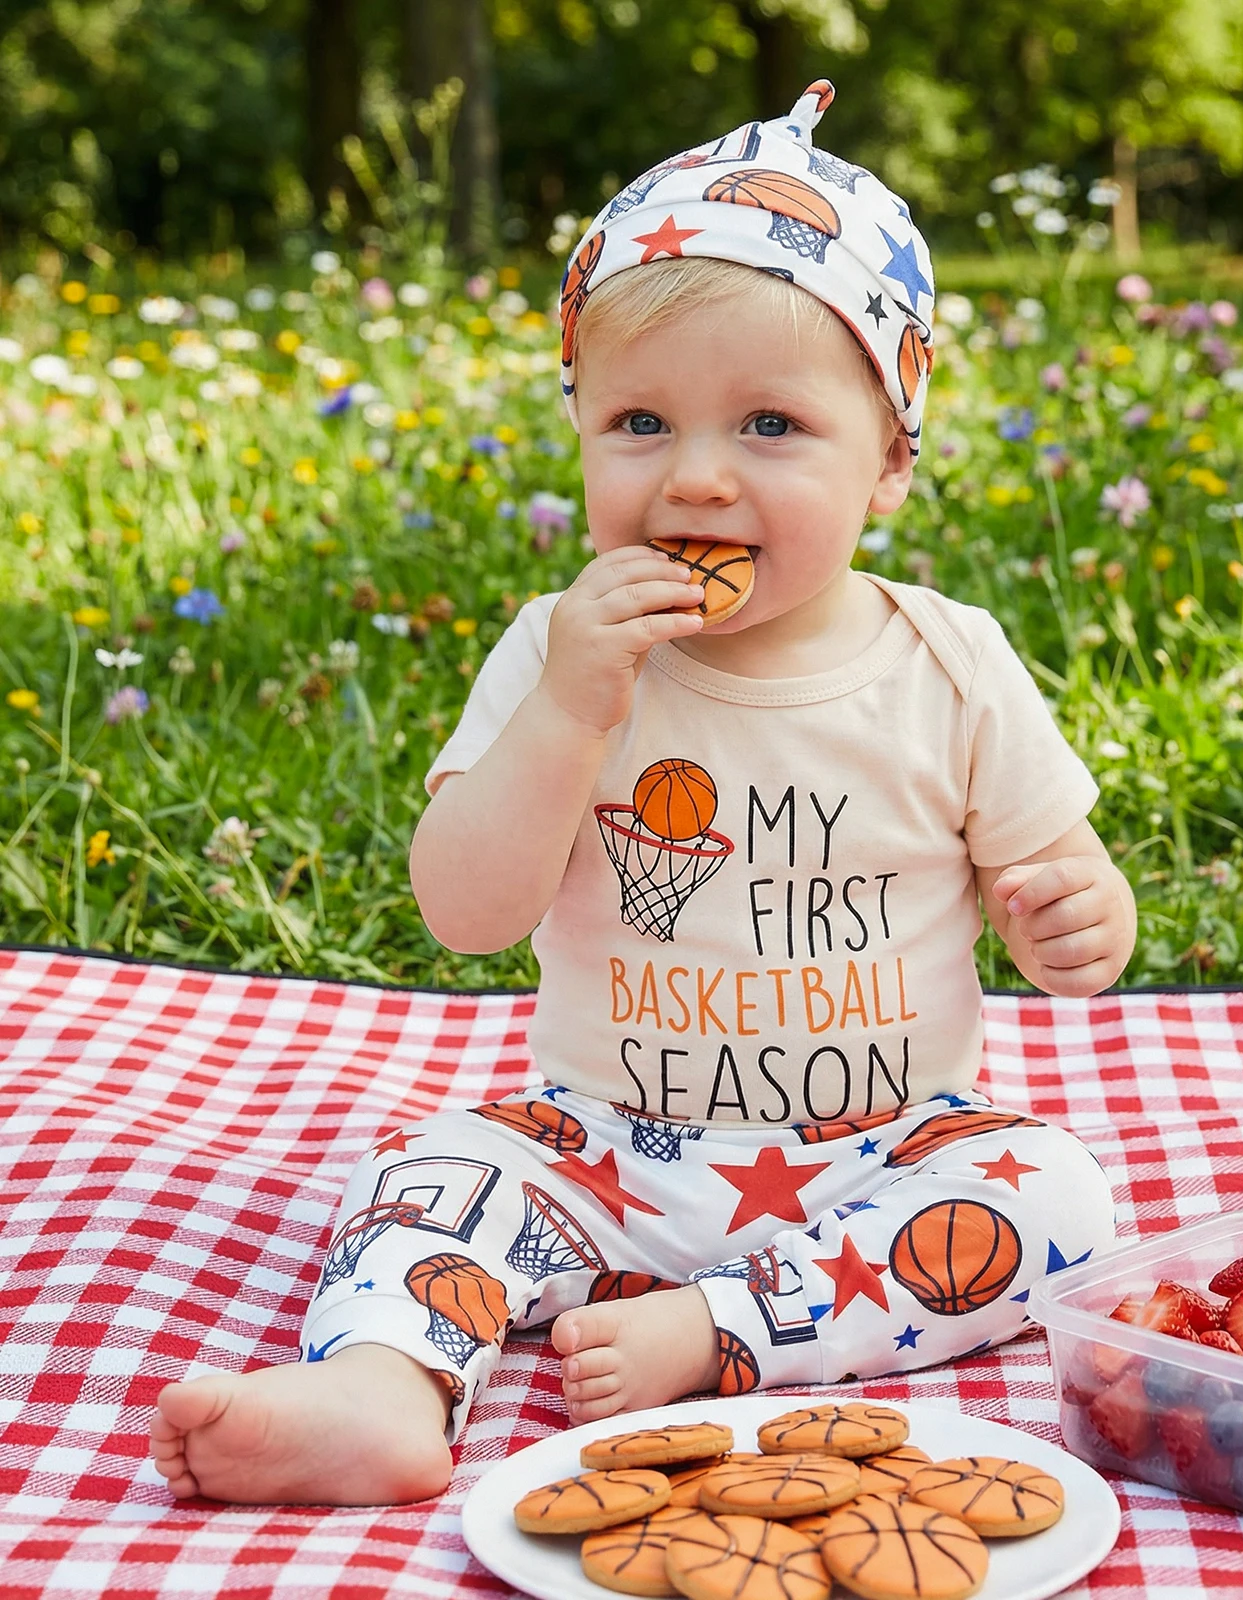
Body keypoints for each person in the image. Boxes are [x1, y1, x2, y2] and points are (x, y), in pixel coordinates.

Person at [148, 80, 1135, 1508]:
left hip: (877, 1157)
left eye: (773, 428)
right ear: (582, 433)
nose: (699, 478)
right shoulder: (559, 651)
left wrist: (1075, 927)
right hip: (605, 1145)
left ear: (896, 459)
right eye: (640, 423)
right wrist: (569, 712)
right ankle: (381, 1388)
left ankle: (725, 1334)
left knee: (1055, 1196)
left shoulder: (947, 662)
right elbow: (468, 918)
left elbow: (1071, 885)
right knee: (433, 1172)